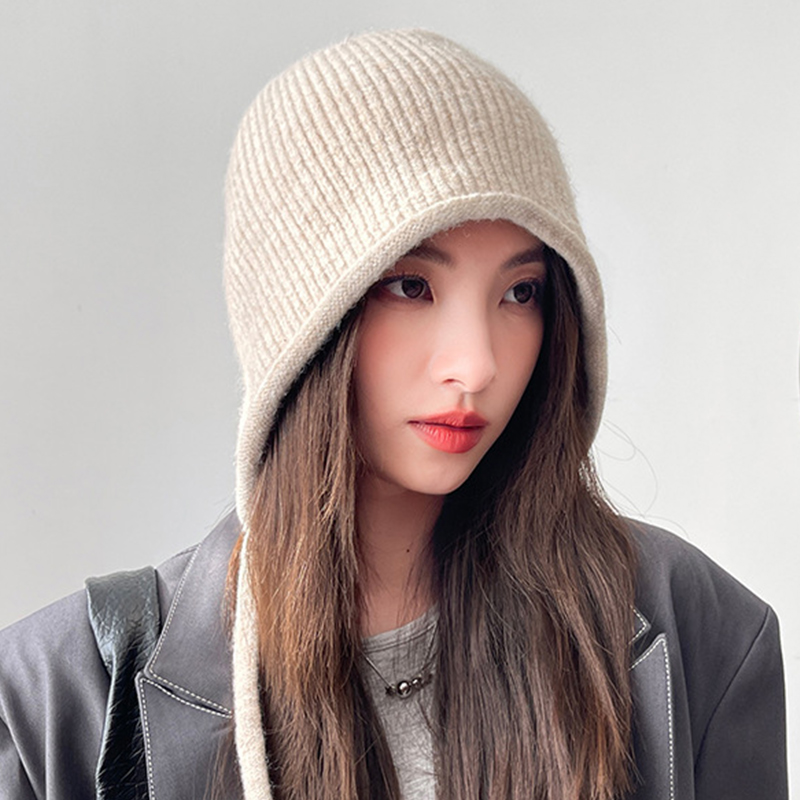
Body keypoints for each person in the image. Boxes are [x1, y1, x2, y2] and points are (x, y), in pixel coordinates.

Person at [0, 28, 787, 800]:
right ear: (299, 323)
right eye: (412, 286)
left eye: (521, 293)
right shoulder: (54, 701)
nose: (476, 365)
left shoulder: (702, 634)